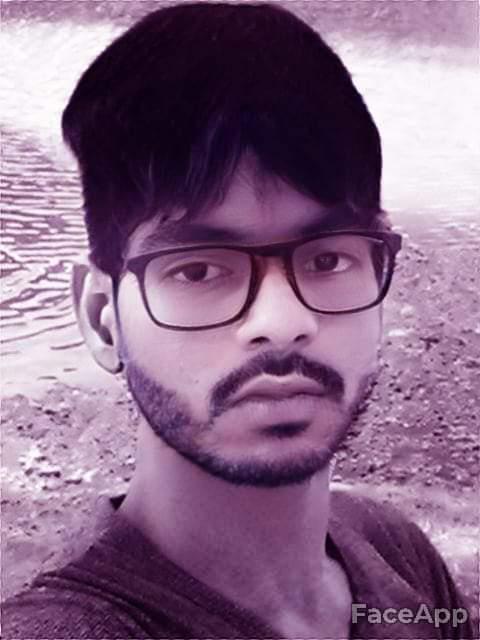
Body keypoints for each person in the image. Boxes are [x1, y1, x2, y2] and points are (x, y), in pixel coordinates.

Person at [2, 3, 474, 639]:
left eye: (327, 259)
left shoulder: (396, 551)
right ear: (102, 318)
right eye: (198, 270)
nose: (283, 321)